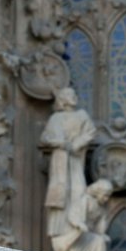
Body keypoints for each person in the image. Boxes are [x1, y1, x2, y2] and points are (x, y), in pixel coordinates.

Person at [40, 87, 97, 239]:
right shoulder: (55, 118)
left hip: (75, 158)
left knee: (78, 190)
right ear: (63, 99)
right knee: (60, 193)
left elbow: (90, 132)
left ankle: (77, 223)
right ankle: (60, 230)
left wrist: (76, 144)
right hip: (59, 159)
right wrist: (59, 142)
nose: (74, 97)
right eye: (70, 95)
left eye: (74, 94)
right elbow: (45, 137)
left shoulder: (81, 115)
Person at [53, 179, 114, 251]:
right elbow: (73, 215)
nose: (106, 199)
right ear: (98, 192)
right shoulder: (86, 200)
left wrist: (102, 231)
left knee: (101, 240)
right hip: (79, 236)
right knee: (99, 242)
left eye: (108, 196)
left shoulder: (102, 207)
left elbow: (100, 228)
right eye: (105, 196)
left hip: (90, 235)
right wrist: (79, 224)